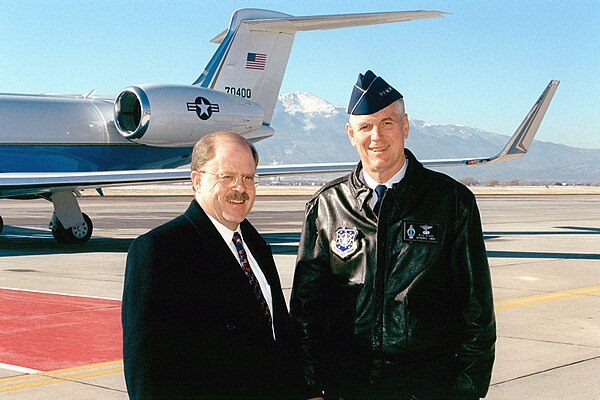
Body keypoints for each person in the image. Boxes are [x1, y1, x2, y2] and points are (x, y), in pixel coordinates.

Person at [290, 71, 496, 400]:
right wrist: (310, 386)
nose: (376, 137)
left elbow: (477, 309)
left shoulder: (450, 202)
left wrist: (467, 389)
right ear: (350, 133)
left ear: (405, 126)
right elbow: (305, 310)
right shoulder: (327, 206)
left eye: (387, 123)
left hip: (426, 384)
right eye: (365, 126)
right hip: (348, 384)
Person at [122, 131, 301, 399]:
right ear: (197, 181)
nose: (240, 188)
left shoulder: (255, 246)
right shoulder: (161, 251)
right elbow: (147, 373)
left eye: (248, 177)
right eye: (227, 176)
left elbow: (278, 335)